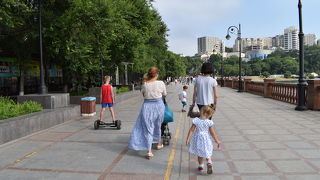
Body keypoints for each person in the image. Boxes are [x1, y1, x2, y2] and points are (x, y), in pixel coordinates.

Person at [128, 67, 167, 159]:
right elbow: (165, 94)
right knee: (158, 125)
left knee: (148, 128)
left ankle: (149, 151)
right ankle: (158, 144)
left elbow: (143, 95)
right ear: (157, 74)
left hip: (147, 107)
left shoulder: (145, 84)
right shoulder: (161, 83)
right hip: (159, 106)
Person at [186, 105, 221, 174]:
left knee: (200, 153)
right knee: (207, 151)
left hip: (198, 139)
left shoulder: (196, 120)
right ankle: (209, 162)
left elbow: (191, 130)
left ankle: (201, 165)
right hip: (206, 139)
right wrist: (217, 140)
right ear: (208, 114)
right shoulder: (209, 122)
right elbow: (212, 133)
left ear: (201, 112)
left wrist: (188, 139)